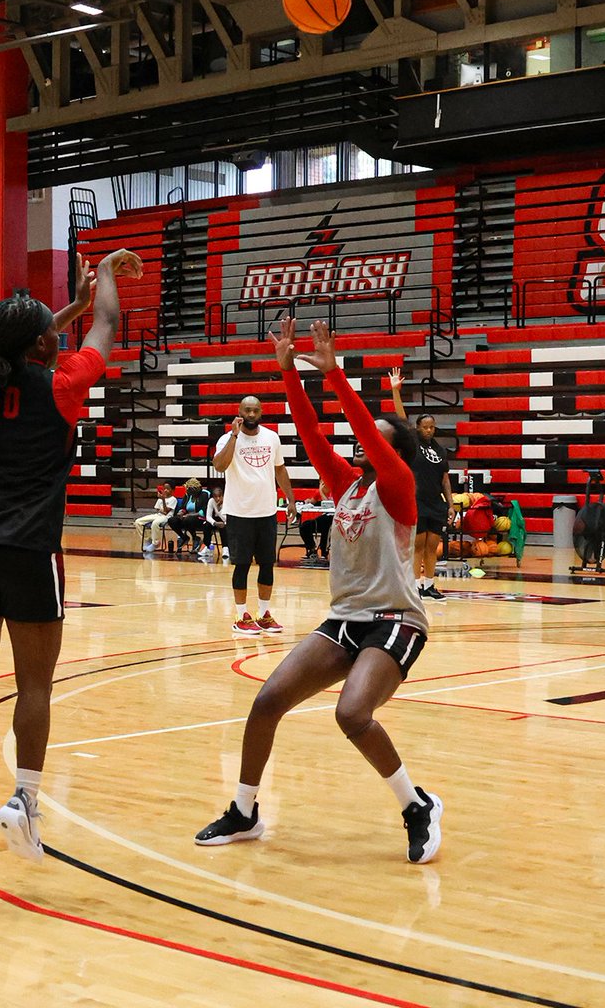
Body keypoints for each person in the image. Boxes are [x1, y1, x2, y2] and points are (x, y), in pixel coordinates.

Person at [195, 319, 442, 865]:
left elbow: (371, 433)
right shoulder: (347, 483)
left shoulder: (397, 484)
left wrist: (335, 377)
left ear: (390, 447)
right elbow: (310, 434)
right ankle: (245, 810)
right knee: (266, 702)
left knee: (352, 715)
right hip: (347, 618)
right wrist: (287, 373)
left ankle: (416, 806)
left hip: (396, 619)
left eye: (374, 434)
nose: (361, 438)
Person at [0, 250, 143, 860]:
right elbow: (107, 325)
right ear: (47, 345)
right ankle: (24, 799)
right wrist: (101, 275)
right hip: (31, 550)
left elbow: (19, 337)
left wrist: (64, 307)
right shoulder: (64, 384)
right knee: (35, 685)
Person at [213, 393, 296, 636]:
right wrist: (234, 436)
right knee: (242, 565)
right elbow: (220, 465)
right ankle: (241, 616)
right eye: (247, 410)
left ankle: (264, 614)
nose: (251, 415)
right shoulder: (227, 439)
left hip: (266, 511)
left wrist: (290, 499)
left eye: (255, 411)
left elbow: (280, 469)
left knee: (267, 564)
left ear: (261, 412)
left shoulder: (272, 437)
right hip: (239, 512)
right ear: (239, 412)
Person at [389, 367, 455, 601]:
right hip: (416, 502)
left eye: (432, 427)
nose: (429, 430)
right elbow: (400, 417)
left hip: (435, 503)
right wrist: (396, 391)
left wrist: (451, 504)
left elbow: (445, 478)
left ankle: (429, 585)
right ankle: (415, 586)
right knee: (417, 545)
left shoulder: (439, 449)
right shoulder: (413, 443)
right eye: (425, 426)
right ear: (418, 428)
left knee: (432, 546)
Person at [298, 479, 334, 565]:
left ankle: (324, 554)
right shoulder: (318, 492)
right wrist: (307, 501)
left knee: (326, 525)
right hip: (323, 517)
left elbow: (329, 505)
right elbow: (312, 501)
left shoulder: (335, 490)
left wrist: (321, 492)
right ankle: (312, 550)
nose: (323, 483)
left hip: (334, 518)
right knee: (305, 526)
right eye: (322, 481)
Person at [168, 477, 209, 552]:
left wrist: (190, 515)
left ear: (196, 489)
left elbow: (203, 511)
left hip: (200, 518)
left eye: (190, 489)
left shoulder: (205, 494)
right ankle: (184, 537)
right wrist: (181, 512)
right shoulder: (188, 494)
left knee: (188, 519)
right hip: (187, 518)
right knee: (172, 520)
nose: (188, 491)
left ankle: (195, 538)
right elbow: (183, 507)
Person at [134, 482, 176, 551]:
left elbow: (166, 512)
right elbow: (157, 509)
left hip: (167, 517)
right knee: (137, 522)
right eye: (164, 488)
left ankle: (155, 543)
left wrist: (163, 500)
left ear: (172, 490)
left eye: (168, 489)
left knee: (155, 523)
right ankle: (147, 540)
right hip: (158, 515)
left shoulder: (173, 499)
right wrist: (161, 504)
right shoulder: (160, 498)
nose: (165, 490)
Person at [202, 485, 229, 559]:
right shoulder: (211, 501)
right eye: (215, 496)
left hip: (225, 521)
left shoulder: (227, 501)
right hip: (215, 521)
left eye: (220, 496)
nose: (218, 498)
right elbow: (208, 516)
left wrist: (218, 509)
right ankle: (208, 547)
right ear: (213, 496)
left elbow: (226, 518)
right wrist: (215, 523)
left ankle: (225, 549)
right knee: (206, 525)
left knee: (223, 527)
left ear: (223, 495)